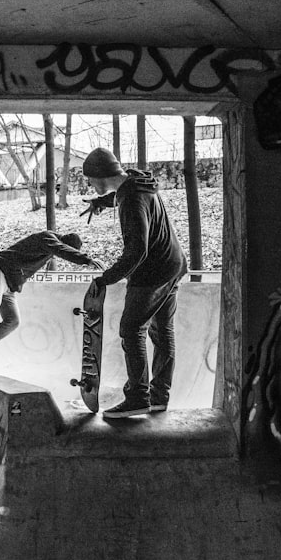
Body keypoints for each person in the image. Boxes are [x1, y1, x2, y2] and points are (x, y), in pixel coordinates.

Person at [81, 147, 187, 418]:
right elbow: (121, 195)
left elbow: (136, 250)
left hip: (154, 271)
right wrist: (100, 202)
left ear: (101, 176)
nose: (91, 185)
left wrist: (106, 279)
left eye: (91, 180)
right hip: (173, 264)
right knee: (162, 330)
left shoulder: (132, 200)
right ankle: (159, 397)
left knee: (131, 328)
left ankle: (138, 396)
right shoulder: (137, 184)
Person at [0, 230, 102, 369]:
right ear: (64, 242)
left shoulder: (48, 249)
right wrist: (86, 260)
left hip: (8, 286)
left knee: (13, 321)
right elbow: (60, 249)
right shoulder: (47, 238)